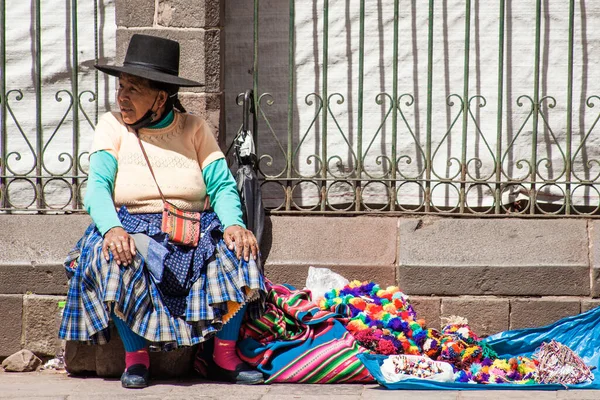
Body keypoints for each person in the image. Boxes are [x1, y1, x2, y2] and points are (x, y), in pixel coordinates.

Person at [59, 34, 266, 388]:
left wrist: (233, 224)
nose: (122, 96)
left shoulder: (194, 128)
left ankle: (224, 357)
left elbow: (221, 186)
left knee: (240, 251)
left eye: (133, 89)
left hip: (195, 228)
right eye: (121, 86)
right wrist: (111, 229)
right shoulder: (113, 127)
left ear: (161, 96)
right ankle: (136, 360)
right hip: (129, 226)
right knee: (115, 257)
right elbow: (96, 188)